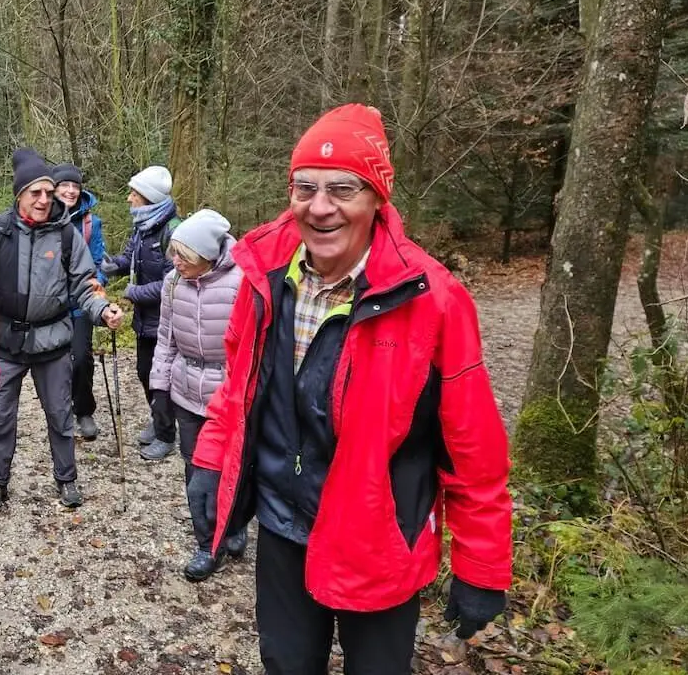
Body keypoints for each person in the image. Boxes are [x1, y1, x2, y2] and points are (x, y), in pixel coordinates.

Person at [186, 104, 512, 673]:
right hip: (283, 524)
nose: (319, 207)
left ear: (377, 199)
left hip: (378, 539)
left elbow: (474, 448)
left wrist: (481, 564)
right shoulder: (263, 277)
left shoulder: (431, 299)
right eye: (305, 188)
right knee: (285, 663)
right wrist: (212, 461)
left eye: (343, 189)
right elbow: (237, 388)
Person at [0, 148, 123, 511]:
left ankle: (66, 480)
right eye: (35, 192)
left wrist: (103, 311)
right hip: (4, 342)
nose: (44, 199)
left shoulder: (66, 236)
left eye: (48, 193)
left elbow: (86, 285)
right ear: (19, 194)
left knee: (60, 415)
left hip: (52, 341)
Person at [147, 209, 250, 581]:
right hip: (186, 391)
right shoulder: (174, 283)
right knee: (195, 473)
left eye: (184, 256)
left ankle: (235, 525)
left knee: (231, 470)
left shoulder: (243, 283)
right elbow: (165, 338)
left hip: (229, 395)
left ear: (207, 255)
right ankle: (207, 544)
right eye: (175, 254)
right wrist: (159, 386)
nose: (176, 262)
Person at [98, 165, 181, 458]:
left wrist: (133, 293)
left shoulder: (173, 232)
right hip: (146, 320)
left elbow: (173, 283)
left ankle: (166, 434)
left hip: (167, 320)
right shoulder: (143, 226)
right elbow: (129, 257)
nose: (129, 198)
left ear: (147, 197)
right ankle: (160, 420)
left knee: (160, 376)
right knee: (145, 372)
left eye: (134, 193)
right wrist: (113, 264)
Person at [51, 162, 109, 441]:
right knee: (56, 361)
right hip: (51, 304)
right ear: (54, 188)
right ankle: (60, 409)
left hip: (82, 303)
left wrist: (97, 285)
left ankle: (84, 409)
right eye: (65, 185)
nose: (71, 191)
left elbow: (99, 262)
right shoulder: (44, 219)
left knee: (81, 359)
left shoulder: (90, 223)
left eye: (75, 186)